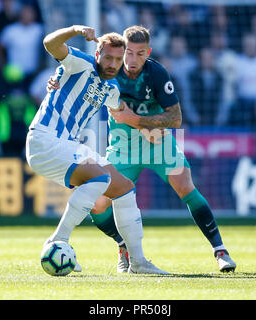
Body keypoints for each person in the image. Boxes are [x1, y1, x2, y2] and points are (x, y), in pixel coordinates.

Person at [48, 26, 237, 273]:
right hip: (122, 146)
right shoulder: (108, 69)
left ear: (148, 52)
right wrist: (58, 79)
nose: (132, 59)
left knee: (184, 184)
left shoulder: (157, 73)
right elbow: (75, 73)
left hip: (158, 143)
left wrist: (138, 121)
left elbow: (176, 118)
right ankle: (122, 244)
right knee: (97, 205)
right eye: (128, 52)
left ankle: (220, 251)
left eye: (140, 53)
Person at [26, 25, 169, 275]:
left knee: (123, 187)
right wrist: (74, 30)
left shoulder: (112, 88)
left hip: (66, 146)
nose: (113, 63)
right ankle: (58, 240)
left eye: (118, 59)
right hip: (45, 138)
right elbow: (50, 44)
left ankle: (138, 262)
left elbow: (121, 111)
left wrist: (147, 128)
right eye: (108, 57)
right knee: (100, 178)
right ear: (97, 54)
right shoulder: (79, 63)